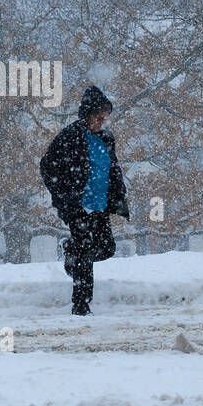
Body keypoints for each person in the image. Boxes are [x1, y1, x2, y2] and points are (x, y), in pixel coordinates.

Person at [39, 85, 130, 315]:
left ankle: (71, 251)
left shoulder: (107, 138)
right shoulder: (71, 136)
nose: (103, 122)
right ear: (88, 115)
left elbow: (113, 169)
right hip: (78, 206)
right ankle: (81, 307)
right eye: (99, 117)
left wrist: (118, 195)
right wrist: (63, 196)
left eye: (105, 118)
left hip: (99, 205)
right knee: (86, 253)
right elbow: (47, 166)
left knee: (107, 247)